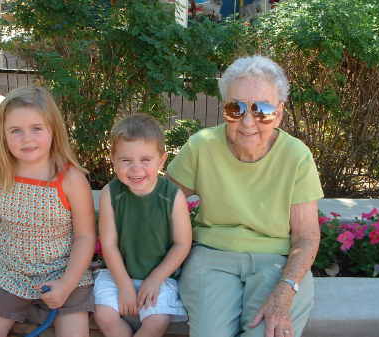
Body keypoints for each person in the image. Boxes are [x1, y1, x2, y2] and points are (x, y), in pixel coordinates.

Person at [167, 55, 323, 337]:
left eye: (262, 110)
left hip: (276, 262)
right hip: (211, 258)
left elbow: (307, 236)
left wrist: (286, 290)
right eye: (236, 108)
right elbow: (163, 201)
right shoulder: (202, 146)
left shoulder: (296, 155)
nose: (248, 121)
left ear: (279, 112)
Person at [0, 87, 96, 337]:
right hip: (10, 269)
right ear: (2, 135)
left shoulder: (70, 178)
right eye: (15, 131)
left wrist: (67, 283)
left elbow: (85, 236)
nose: (27, 138)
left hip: (63, 270)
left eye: (36, 128)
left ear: (53, 130)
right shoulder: (1, 172)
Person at [94, 114, 192, 337]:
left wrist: (156, 278)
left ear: (161, 160)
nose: (136, 169)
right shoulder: (111, 193)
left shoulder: (172, 196)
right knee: (104, 316)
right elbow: (108, 244)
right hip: (118, 273)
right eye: (126, 160)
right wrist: (124, 285)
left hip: (160, 276)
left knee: (157, 321)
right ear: (113, 160)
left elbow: (182, 244)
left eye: (145, 160)